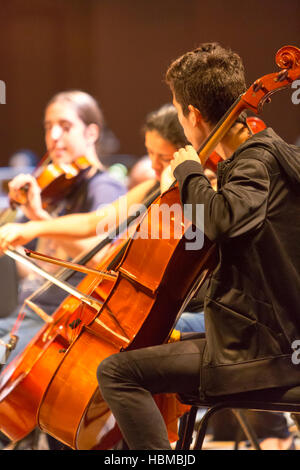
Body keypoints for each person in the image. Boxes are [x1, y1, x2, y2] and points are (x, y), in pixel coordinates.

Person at [94, 42, 300, 450]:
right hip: (266, 343)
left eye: (178, 112)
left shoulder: (254, 162)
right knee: (161, 346)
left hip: (258, 355)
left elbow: (219, 219)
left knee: (117, 372)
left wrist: (188, 171)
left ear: (193, 115)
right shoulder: (271, 154)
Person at [0, 90, 126, 367]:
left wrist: (39, 219)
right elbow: (33, 265)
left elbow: (102, 262)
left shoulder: (104, 187)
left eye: (65, 126)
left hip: (58, 323)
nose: (54, 136)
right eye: (48, 127)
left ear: (91, 133)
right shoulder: (57, 189)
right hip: (26, 313)